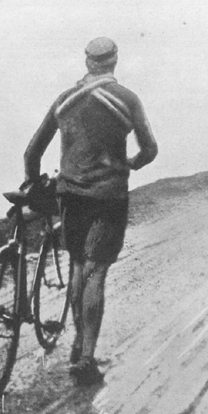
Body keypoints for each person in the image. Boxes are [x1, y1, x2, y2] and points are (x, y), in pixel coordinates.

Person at [24, 37, 158, 385]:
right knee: (96, 272)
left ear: (87, 63)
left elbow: (32, 153)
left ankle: (78, 343)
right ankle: (85, 358)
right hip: (110, 194)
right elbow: (150, 149)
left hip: (71, 194)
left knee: (77, 265)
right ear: (115, 61)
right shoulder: (126, 99)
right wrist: (130, 162)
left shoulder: (65, 100)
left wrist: (35, 185)